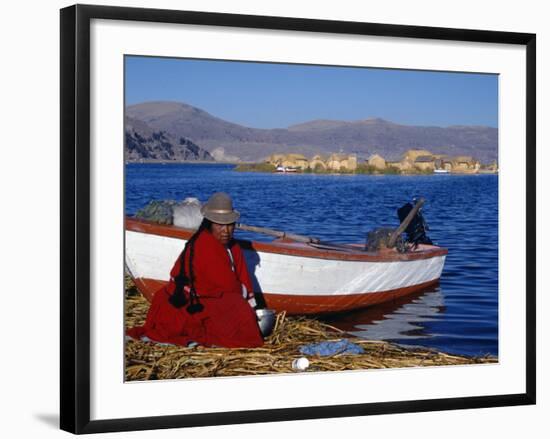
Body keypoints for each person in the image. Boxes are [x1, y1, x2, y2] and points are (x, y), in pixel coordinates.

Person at [127, 192, 264, 348]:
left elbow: (242, 277)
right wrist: (242, 301)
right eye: (220, 225)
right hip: (191, 299)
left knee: (240, 307)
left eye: (229, 225)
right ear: (209, 224)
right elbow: (226, 285)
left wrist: (252, 306)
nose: (225, 230)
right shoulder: (203, 244)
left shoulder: (234, 247)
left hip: (213, 295)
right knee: (237, 306)